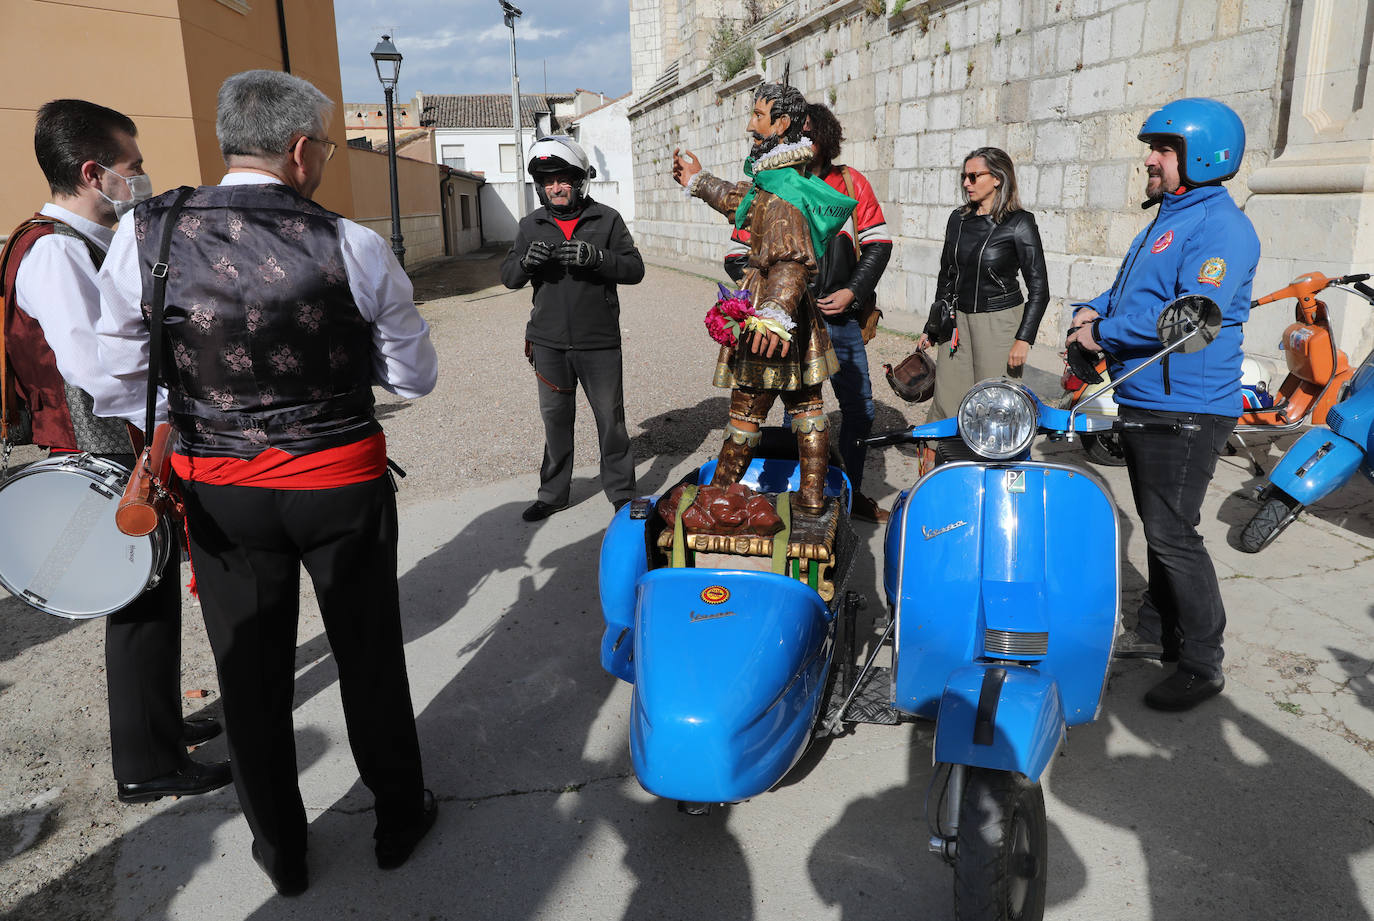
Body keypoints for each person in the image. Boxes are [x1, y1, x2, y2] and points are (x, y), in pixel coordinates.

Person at [94, 70, 439, 895]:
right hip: (339, 481)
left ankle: (282, 848)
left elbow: (114, 379)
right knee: (368, 651)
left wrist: (207, 395)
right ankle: (398, 812)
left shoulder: (148, 228)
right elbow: (415, 376)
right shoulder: (351, 241)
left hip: (220, 487)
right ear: (298, 150)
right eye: (320, 146)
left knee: (248, 668)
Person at [2, 99, 231, 805]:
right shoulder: (57, 251)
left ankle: (159, 726)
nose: (143, 180)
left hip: (119, 449)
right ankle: (147, 763)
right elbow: (94, 370)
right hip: (106, 455)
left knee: (151, 594)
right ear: (92, 172)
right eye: (132, 169)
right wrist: (175, 424)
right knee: (137, 602)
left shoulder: (74, 243)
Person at [1065, 97, 1259, 711]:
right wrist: (1093, 307)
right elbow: (1133, 291)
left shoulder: (1221, 227)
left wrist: (1105, 333)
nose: (1150, 159)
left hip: (1188, 407)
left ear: (1201, 156)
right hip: (1151, 397)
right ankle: (1158, 631)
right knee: (1160, 524)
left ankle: (1203, 662)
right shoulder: (1172, 216)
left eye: (1163, 150)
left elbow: (1192, 317)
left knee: (1174, 534)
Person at [672, 82, 854, 514]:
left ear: (782, 124)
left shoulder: (785, 193)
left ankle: (715, 499)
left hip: (773, 311)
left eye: (757, 116)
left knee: (746, 409)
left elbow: (791, 260)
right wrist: (700, 180)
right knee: (806, 405)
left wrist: (773, 316)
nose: (749, 126)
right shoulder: (778, 181)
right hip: (790, 312)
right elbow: (744, 204)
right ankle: (811, 497)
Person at [723, 103, 893, 522]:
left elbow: (878, 244)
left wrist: (852, 293)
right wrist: (774, 296)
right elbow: (740, 253)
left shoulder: (849, 183)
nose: (807, 142)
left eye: (814, 135)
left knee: (859, 409)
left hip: (840, 317)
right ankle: (800, 493)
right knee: (794, 412)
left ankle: (850, 492)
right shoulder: (772, 186)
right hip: (789, 326)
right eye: (802, 134)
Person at [501, 135, 644, 522]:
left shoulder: (607, 219)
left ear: (579, 181)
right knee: (556, 421)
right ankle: (553, 493)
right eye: (548, 182)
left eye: (563, 179)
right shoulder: (531, 225)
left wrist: (596, 257)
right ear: (540, 187)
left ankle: (621, 491)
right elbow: (509, 278)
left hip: (598, 342)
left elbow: (635, 269)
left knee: (610, 419)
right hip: (548, 344)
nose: (556, 187)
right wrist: (528, 262)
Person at [916, 147, 1049, 420]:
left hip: (998, 324)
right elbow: (947, 275)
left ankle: (995, 462)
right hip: (957, 322)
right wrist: (932, 327)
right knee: (947, 402)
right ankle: (947, 460)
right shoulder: (958, 219)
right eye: (964, 177)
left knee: (995, 404)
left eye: (974, 176)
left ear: (998, 178)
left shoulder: (1019, 223)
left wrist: (1024, 339)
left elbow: (1039, 289)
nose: (967, 183)